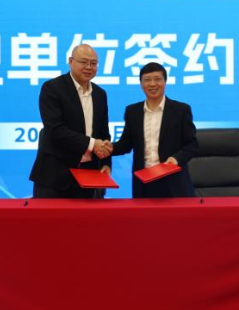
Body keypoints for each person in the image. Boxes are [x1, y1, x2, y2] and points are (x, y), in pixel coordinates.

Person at [29, 44, 112, 198]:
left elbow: (103, 133)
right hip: (54, 176)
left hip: (88, 177)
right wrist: (93, 144)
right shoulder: (52, 88)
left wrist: (106, 163)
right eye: (84, 62)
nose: (89, 67)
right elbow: (56, 130)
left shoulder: (100, 94)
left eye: (93, 63)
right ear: (71, 61)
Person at [109, 62, 198, 198]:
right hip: (143, 182)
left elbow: (192, 145)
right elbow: (125, 145)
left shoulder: (180, 110)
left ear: (165, 82)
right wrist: (105, 148)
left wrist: (176, 159)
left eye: (157, 79)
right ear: (141, 84)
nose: (152, 84)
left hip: (173, 181)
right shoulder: (133, 111)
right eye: (147, 80)